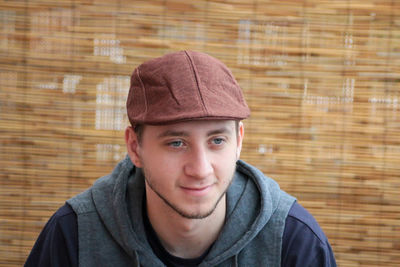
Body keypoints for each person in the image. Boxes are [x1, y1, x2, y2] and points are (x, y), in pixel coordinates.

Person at [25, 50, 336, 266]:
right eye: (176, 142)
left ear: (239, 141)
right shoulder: (74, 235)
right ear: (135, 148)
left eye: (217, 140)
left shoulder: (294, 242)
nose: (200, 169)